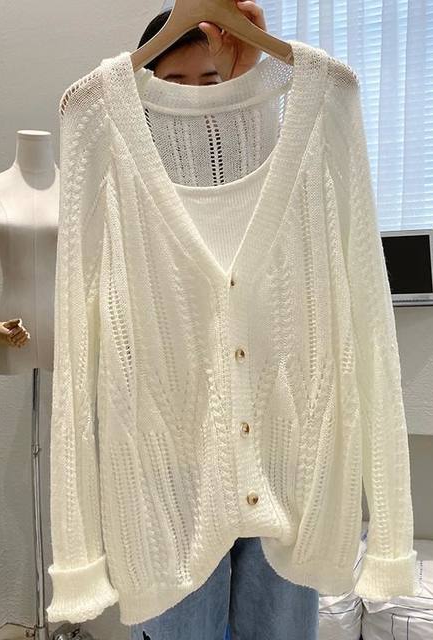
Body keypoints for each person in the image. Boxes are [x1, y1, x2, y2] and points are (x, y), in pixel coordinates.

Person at [129, 5, 320, 640]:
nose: (195, 102)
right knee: (181, 627)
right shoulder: (128, 183)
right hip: (173, 457)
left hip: (275, 446)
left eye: (210, 83)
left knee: (281, 623)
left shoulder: (272, 168)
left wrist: (252, 84)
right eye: (174, 85)